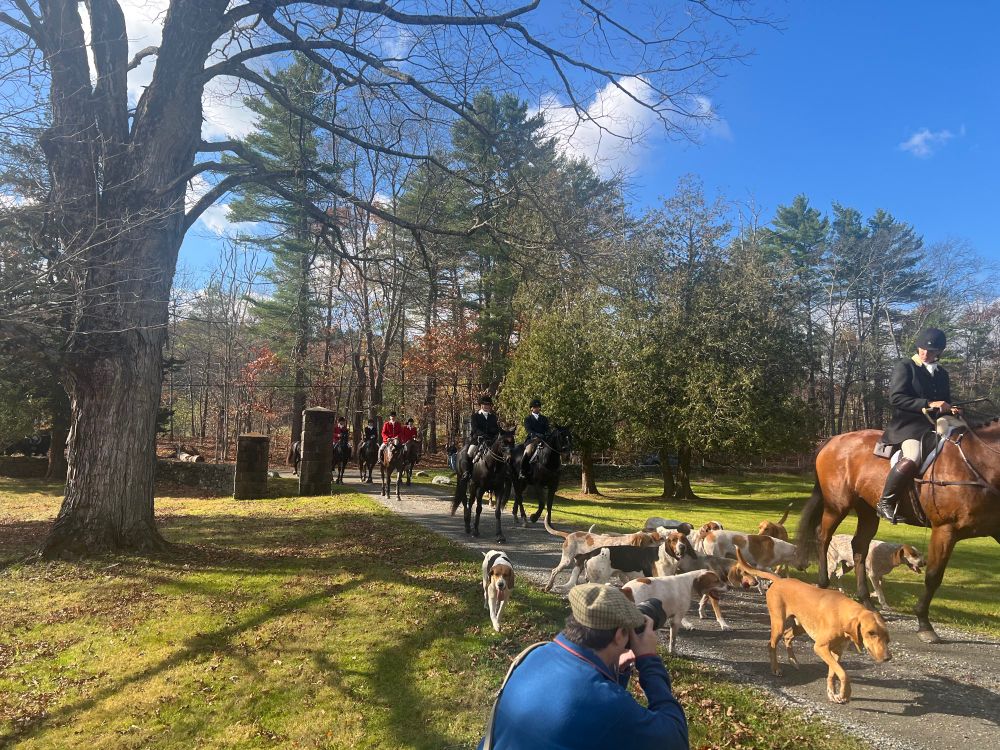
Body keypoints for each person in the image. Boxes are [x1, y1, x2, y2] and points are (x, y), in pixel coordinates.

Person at [479, 583, 688, 750]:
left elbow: (592, 723)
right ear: (618, 636)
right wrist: (649, 660)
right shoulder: (606, 703)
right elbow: (676, 739)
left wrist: (616, 671)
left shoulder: (534, 654)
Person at [876, 327, 958, 523]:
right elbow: (896, 398)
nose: (925, 353)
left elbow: (944, 402)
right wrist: (929, 404)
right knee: (913, 456)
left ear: (939, 352)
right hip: (908, 426)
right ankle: (885, 502)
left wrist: (951, 408)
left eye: (931, 351)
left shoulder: (942, 374)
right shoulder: (906, 366)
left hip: (935, 425)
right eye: (922, 349)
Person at [518, 397, 550, 480]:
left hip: (543, 439)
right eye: (534, 407)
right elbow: (528, 430)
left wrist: (546, 434)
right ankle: (522, 471)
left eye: (538, 407)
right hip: (532, 439)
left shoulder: (544, 418)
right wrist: (537, 435)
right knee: (528, 451)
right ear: (531, 408)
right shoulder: (527, 419)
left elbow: (547, 429)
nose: (536, 408)